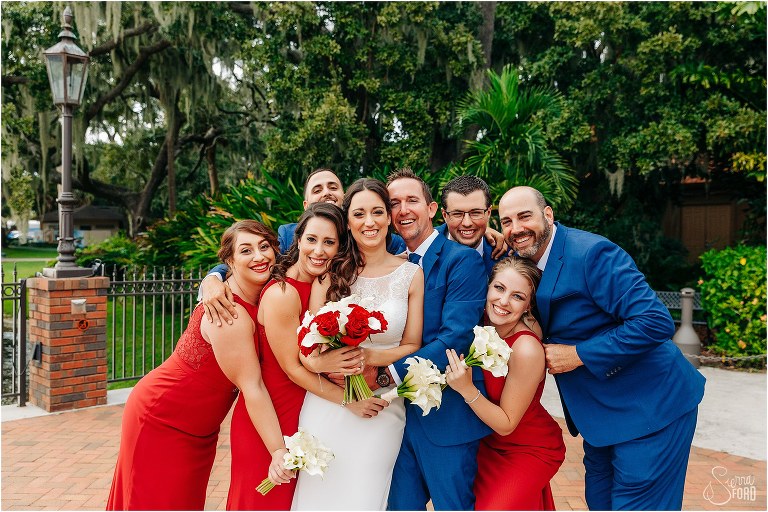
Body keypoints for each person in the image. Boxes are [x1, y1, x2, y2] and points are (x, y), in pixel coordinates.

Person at [498, 186, 706, 511]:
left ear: (548, 215)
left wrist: (578, 354)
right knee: (599, 502)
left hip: (650, 408)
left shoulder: (591, 253)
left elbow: (654, 321)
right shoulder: (523, 263)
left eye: (524, 216)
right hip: (600, 419)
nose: (515, 228)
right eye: (506, 221)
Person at [107, 221, 293, 510]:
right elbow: (252, 387)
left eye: (264, 247)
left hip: (200, 428)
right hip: (163, 417)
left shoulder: (264, 292)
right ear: (230, 261)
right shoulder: (229, 312)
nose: (259, 256)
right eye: (246, 250)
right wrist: (278, 450)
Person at [226, 203, 389, 510]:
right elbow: (292, 369)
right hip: (272, 414)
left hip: (307, 409)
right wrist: (349, 400)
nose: (319, 250)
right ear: (298, 239)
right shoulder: (282, 293)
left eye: (329, 242)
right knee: (263, 502)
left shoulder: (324, 284)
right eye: (312, 240)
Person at [291, 178, 425, 510]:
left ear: (389, 217)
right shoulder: (330, 274)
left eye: (378, 212)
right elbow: (308, 345)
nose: (370, 222)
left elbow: (412, 345)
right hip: (328, 406)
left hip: (379, 407)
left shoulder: (411, 274)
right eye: (359, 213)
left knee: (366, 496)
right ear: (347, 221)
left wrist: (369, 356)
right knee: (317, 496)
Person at [378, 168, 491, 511]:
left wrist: (386, 375)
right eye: (394, 203)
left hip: (447, 417)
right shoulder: (392, 260)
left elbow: (455, 337)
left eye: (411, 200)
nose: (403, 210)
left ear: (430, 210)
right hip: (397, 420)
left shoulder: (464, 261)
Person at [444, 256, 565, 510]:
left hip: (527, 448)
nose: (503, 301)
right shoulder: (480, 321)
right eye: (499, 288)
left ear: (528, 305)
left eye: (517, 296)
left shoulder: (526, 348)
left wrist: (467, 389)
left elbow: (507, 424)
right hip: (486, 443)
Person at [438, 175, 500, 276]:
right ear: (445, 215)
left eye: (475, 213)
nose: (467, 223)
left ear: (488, 213)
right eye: (457, 214)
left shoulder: (508, 254)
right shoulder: (423, 246)